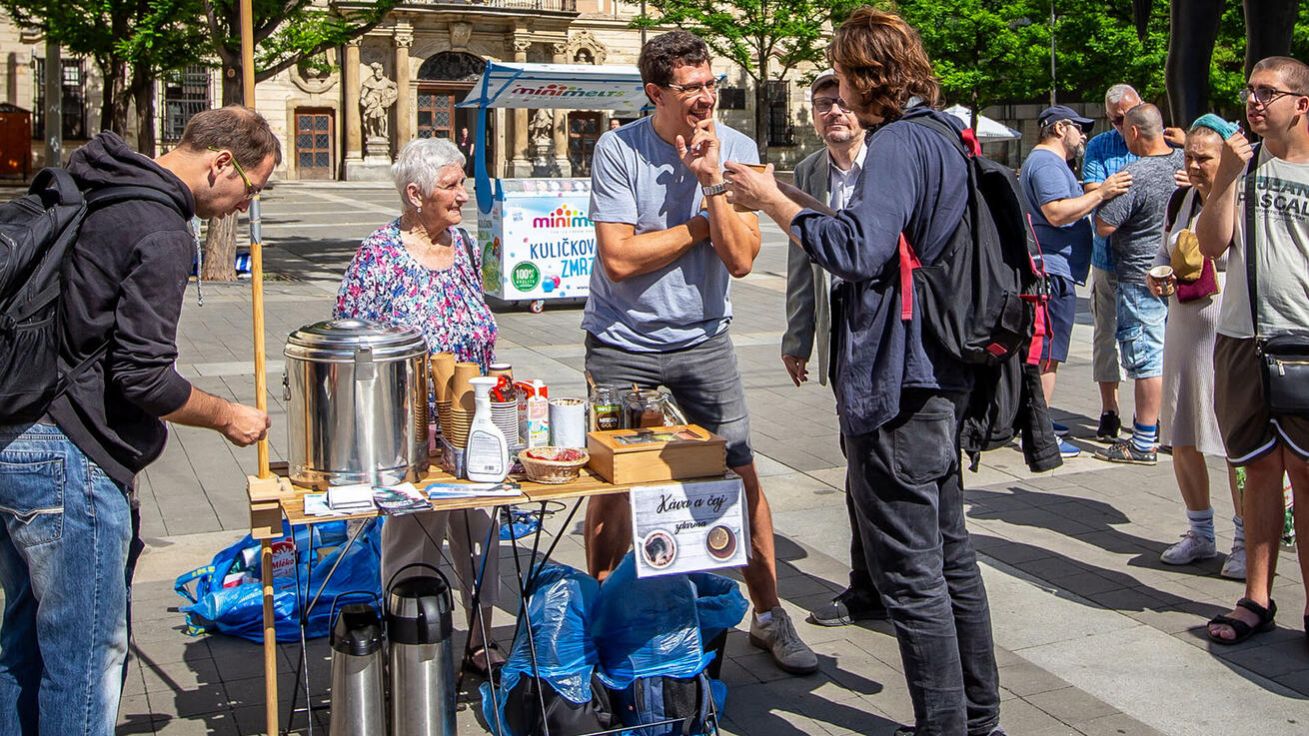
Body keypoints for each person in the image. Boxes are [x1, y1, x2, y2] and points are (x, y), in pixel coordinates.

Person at [728, 9, 1004, 735]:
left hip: (898, 382)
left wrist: (772, 202)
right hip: (940, 372)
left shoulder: (898, 142)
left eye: (841, 75)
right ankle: (980, 721)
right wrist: (791, 199)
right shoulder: (942, 132)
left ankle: (946, 726)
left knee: (912, 575)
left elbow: (858, 252)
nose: (838, 91)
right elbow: (877, 232)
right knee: (950, 560)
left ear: (864, 75)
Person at [0, 105, 278, 735]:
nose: (245, 205)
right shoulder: (159, 227)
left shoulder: (101, 181)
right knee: (85, 657)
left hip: (16, 433)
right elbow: (143, 377)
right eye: (250, 188)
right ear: (221, 164)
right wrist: (226, 415)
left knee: (24, 643)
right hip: (69, 456)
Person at [584, 30, 817, 675]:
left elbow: (740, 259)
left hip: (704, 341)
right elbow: (619, 258)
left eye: (711, 83)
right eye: (691, 88)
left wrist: (712, 182)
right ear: (656, 93)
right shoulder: (618, 150)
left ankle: (769, 615)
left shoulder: (736, 150)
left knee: (740, 473)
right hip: (622, 343)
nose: (706, 98)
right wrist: (699, 227)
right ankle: (602, 616)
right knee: (615, 484)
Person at [334, 137, 504, 676]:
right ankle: (409, 644)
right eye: (451, 186)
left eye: (461, 183)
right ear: (415, 194)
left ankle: (479, 637)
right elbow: (347, 339)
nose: (463, 195)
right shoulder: (379, 254)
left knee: (479, 534)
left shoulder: (465, 246)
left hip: (470, 421)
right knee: (412, 538)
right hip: (405, 430)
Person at [1196, 56, 1309, 645]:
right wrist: (1226, 178)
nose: (1254, 102)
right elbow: (1211, 245)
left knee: (1307, 475)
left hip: (1304, 341)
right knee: (1257, 469)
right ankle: (1256, 599)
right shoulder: (1242, 163)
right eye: (1250, 91)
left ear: (1301, 104)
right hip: (1242, 338)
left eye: (1268, 93)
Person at [782, 69, 885, 627]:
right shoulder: (809, 171)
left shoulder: (888, 161)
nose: (834, 112)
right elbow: (802, 259)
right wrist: (798, 336)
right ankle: (867, 582)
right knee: (856, 454)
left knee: (887, 459)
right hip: (842, 327)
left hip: (892, 327)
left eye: (842, 102)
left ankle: (895, 582)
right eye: (823, 104)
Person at [1146, 116, 1245, 579]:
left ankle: (1246, 538)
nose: (1193, 165)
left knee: (1235, 442)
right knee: (1183, 433)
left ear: (1226, 160)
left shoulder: (1242, 198)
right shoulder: (1180, 200)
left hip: (1229, 329)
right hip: (1184, 328)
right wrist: (1155, 276)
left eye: (1204, 158)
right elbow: (1162, 253)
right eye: (1189, 156)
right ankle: (1200, 532)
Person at [1019, 105, 1132, 459]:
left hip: (1052, 271)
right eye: (1078, 128)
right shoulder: (1047, 164)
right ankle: (1040, 436)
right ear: (1059, 128)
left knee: (1045, 353)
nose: (1083, 135)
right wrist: (1102, 192)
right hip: (1051, 274)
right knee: (1047, 356)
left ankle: (1038, 420)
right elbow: (1055, 213)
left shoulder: (1046, 163)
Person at [1093, 103, 1186, 465]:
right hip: (1178, 274)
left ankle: (1143, 440)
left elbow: (1105, 225)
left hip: (1138, 276)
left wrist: (1104, 194)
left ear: (1133, 132)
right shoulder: (1184, 164)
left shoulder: (1135, 174)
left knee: (1146, 359)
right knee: (1171, 355)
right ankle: (1173, 432)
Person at [1083, 84, 1143, 441]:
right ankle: (1109, 409)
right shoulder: (1100, 146)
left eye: (1127, 116)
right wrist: (1110, 190)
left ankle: (1148, 412)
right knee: (1106, 334)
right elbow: (1094, 194)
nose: (1122, 125)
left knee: (1148, 338)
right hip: (1107, 257)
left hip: (1148, 259)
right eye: (1115, 119)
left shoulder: (1159, 141)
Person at [361, 62, 398, 140]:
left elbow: (394, 87)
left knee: (381, 117)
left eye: (380, 73)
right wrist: (362, 98)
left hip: (381, 100)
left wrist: (390, 97)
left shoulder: (385, 80)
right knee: (370, 117)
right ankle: (371, 132)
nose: (379, 74)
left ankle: (382, 132)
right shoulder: (371, 79)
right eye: (377, 73)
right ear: (374, 73)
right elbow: (365, 89)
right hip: (372, 98)